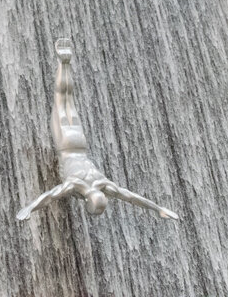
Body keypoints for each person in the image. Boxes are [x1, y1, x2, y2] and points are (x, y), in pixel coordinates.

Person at [16, 39, 179, 222]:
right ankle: (63, 63)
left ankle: (65, 63)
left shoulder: (105, 185)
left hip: (80, 142)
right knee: (62, 100)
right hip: (66, 144)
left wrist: (159, 209)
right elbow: (51, 195)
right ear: (87, 201)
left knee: (68, 99)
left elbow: (132, 197)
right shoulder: (76, 185)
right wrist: (29, 208)